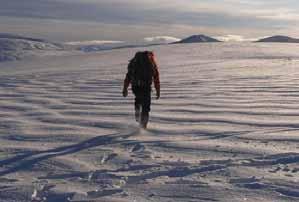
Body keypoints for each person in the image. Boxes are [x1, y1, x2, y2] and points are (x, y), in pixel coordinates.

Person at [122, 51, 160, 129]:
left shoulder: (134, 62)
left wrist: (125, 88)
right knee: (146, 107)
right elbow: (156, 78)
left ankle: (137, 110)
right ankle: (143, 127)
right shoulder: (151, 62)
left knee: (138, 98)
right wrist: (158, 91)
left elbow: (128, 76)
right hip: (146, 87)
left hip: (135, 87)